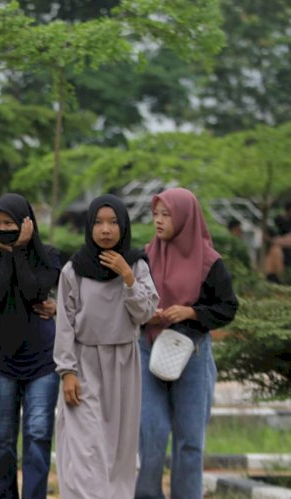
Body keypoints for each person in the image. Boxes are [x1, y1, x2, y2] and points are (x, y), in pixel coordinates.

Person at [136, 187, 239, 499]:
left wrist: (191, 311)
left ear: (184, 217)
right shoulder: (146, 255)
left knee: (190, 440)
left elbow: (227, 307)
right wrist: (146, 316)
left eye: (166, 214)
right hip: (148, 348)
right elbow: (128, 302)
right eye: (156, 214)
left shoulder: (209, 261)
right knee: (151, 434)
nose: (158, 220)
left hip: (191, 352)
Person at [54, 195, 159, 498]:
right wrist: (67, 371)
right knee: (86, 447)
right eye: (98, 222)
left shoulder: (136, 266)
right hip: (84, 365)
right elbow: (64, 324)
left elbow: (146, 313)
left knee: (118, 450)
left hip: (124, 364)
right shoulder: (73, 270)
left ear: (123, 226)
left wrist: (127, 277)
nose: (106, 230)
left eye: (113, 222)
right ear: (89, 226)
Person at [0, 193, 61, 498]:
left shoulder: (49, 256)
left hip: (41, 362)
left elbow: (35, 291)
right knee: (2, 439)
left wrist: (20, 251)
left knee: (38, 435)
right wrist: (10, 254)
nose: (2, 228)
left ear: (27, 224)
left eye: (9, 222)